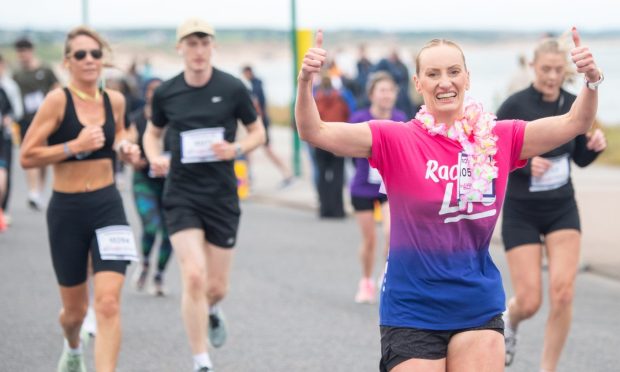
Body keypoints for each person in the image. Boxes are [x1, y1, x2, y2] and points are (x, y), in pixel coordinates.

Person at [295, 28, 601, 372]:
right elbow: (314, 131)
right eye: (433, 74)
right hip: (412, 308)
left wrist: (590, 82)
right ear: (418, 82)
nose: (445, 82)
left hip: (477, 304)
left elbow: (576, 121)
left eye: (454, 72)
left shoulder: (499, 137)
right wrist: (306, 81)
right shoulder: (394, 138)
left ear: (467, 78)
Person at [143, 18, 265, 372]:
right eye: (191, 44)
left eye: (204, 43)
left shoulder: (233, 88)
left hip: (222, 196)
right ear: (180, 48)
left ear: (213, 47)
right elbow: (152, 133)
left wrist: (237, 149)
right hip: (181, 193)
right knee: (193, 275)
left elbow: (258, 133)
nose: (198, 51)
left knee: (216, 286)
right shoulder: (166, 92)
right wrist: (154, 158)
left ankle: (212, 308)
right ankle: (201, 360)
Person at [19, 26, 140, 372]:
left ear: (103, 59)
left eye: (96, 54)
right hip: (67, 211)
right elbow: (28, 155)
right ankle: (72, 347)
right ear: (68, 61)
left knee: (108, 304)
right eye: (81, 55)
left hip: (107, 206)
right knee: (75, 313)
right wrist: (73, 146)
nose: (89, 61)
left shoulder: (113, 100)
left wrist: (125, 147)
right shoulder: (57, 101)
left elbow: (118, 133)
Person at [497, 37, 607, 371]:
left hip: (561, 208)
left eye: (558, 70)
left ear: (565, 71)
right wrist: (527, 164)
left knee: (563, 293)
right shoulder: (513, 106)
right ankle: (510, 321)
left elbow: (580, 156)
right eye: (545, 69)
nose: (551, 76)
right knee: (530, 301)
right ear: (533, 67)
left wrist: (595, 147)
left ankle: (548, 368)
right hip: (522, 211)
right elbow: (493, 156)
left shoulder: (576, 103)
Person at [349, 71, 405, 304]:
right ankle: (366, 281)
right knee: (370, 239)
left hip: (389, 186)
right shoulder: (359, 118)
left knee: (392, 234)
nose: (386, 95)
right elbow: (351, 151)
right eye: (382, 91)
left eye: (390, 91)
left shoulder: (401, 118)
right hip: (363, 186)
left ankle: (387, 275)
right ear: (372, 94)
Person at [128, 77, 173, 296]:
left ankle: (159, 275)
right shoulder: (136, 119)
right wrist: (132, 159)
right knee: (152, 226)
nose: (156, 94)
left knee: (170, 233)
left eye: (160, 90)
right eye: (152, 90)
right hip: (144, 180)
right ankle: (145, 263)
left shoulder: (175, 118)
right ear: (145, 93)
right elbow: (125, 144)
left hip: (171, 183)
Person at [13, 37, 60, 210]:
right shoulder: (17, 74)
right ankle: (33, 191)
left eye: (25, 51)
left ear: (31, 51)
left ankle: (39, 190)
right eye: (20, 52)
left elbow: (56, 87)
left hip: (46, 119)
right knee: (30, 154)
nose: (23, 55)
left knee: (44, 157)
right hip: (26, 120)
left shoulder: (45, 69)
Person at [241, 65, 293, 187]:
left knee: (267, 151)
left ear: (248, 73)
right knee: (248, 152)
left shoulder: (255, 87)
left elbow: (257, 106)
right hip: (260, 123)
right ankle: (248, 179)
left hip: (260, 124)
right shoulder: (255, 85)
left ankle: (287, 173)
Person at [313, 74, 349, 218]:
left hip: (320, 142)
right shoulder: (341, 98)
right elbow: (348, 115)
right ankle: (338, 209)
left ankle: (324, 209)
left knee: (321, 175)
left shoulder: (316, 100)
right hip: (338, 140)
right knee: (338, 175)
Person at [0, 54, 23, 224]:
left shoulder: (9, 87)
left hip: (4, 137)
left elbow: (16, 110)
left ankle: (3, 209)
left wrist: (9, 119)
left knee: (3, 174)